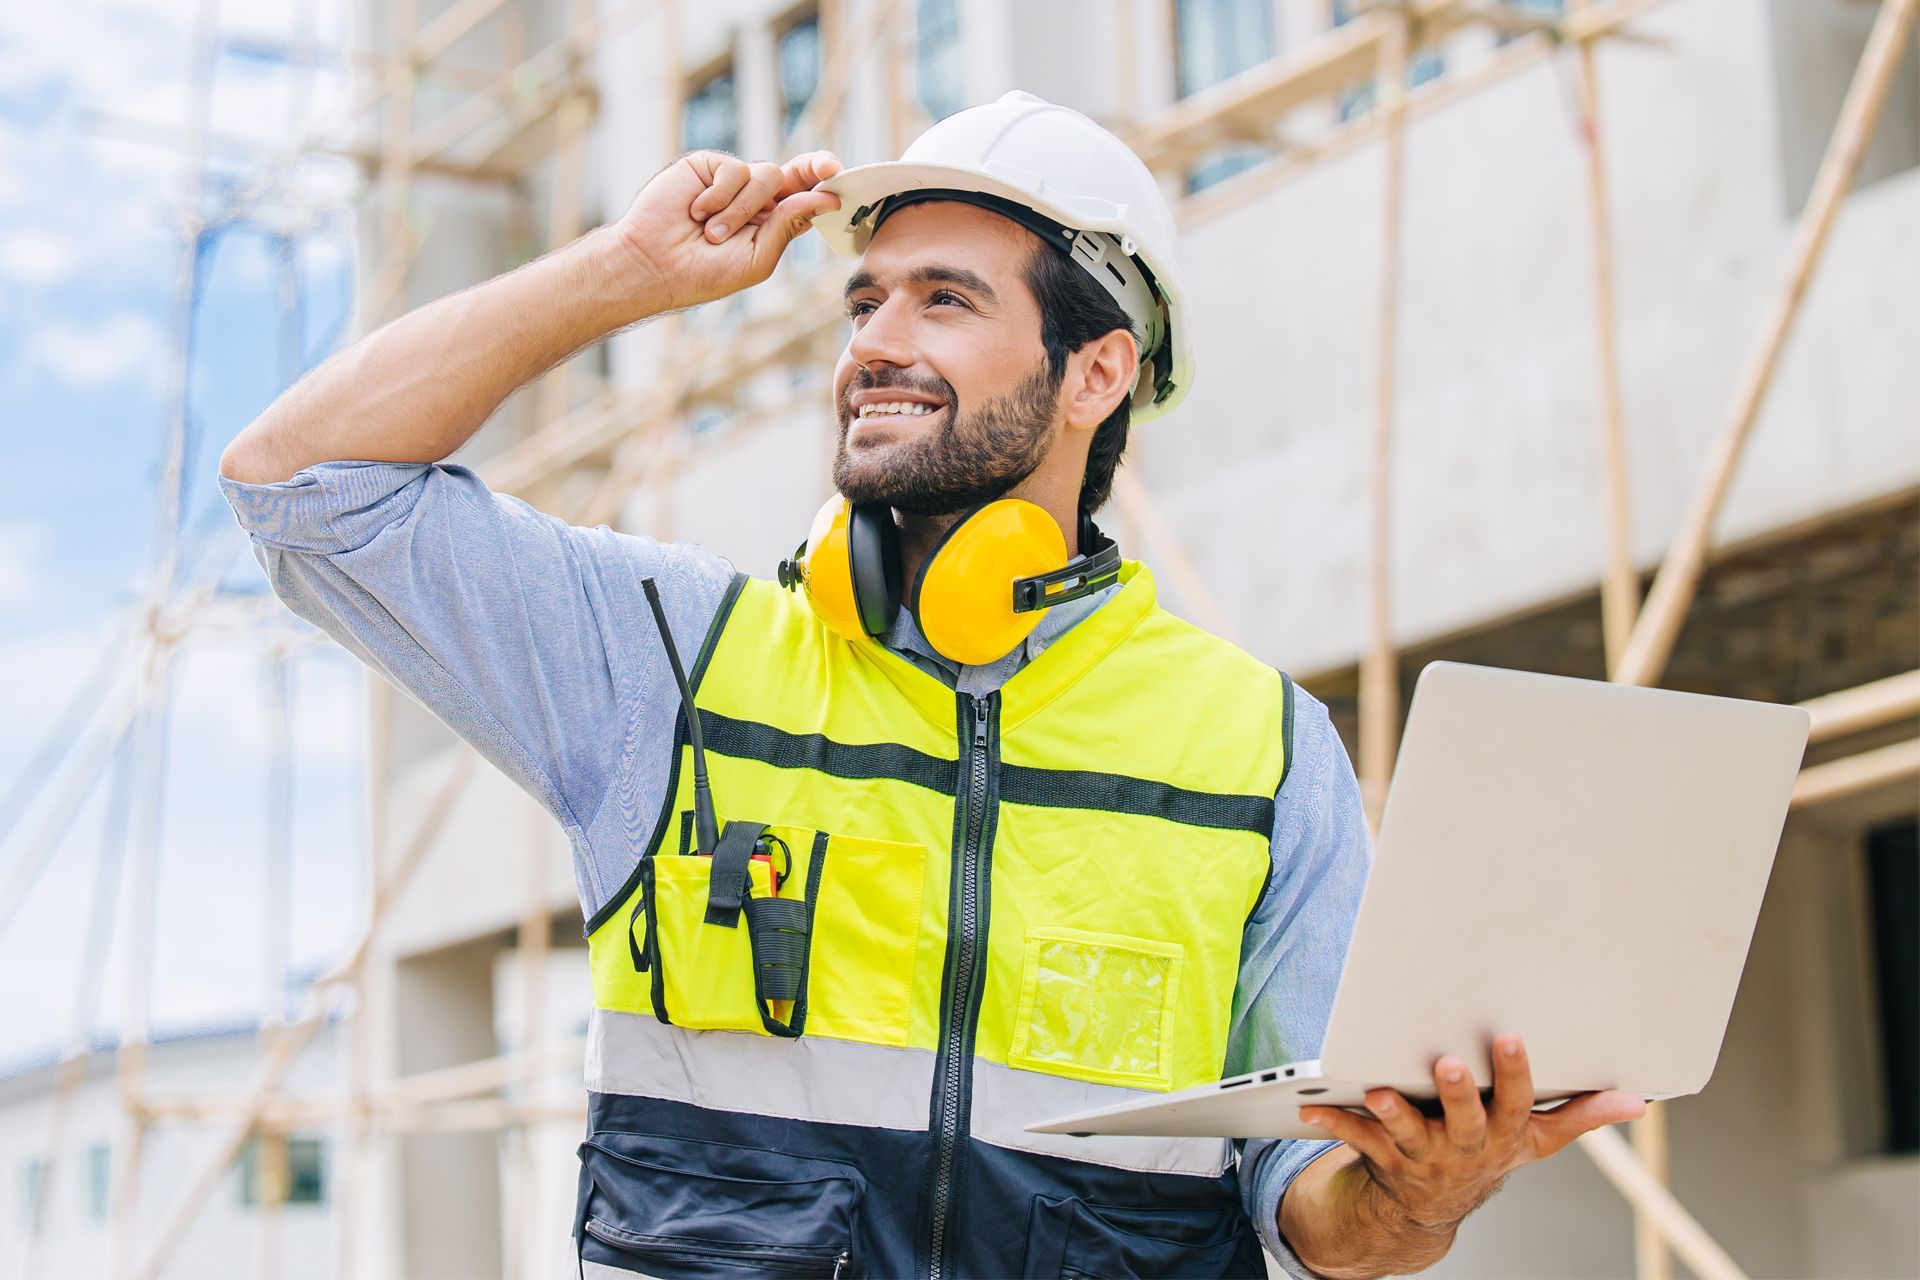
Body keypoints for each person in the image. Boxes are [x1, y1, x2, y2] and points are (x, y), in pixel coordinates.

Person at [220, 92, 1641, 1279]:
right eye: (865, 302)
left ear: (1099, 372)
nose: (873, 346)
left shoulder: (1257, 747)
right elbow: (304, 488)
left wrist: (1424, 1190)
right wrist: (629, 274)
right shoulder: (672, 660)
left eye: (943, 300)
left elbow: (1320, 1211)